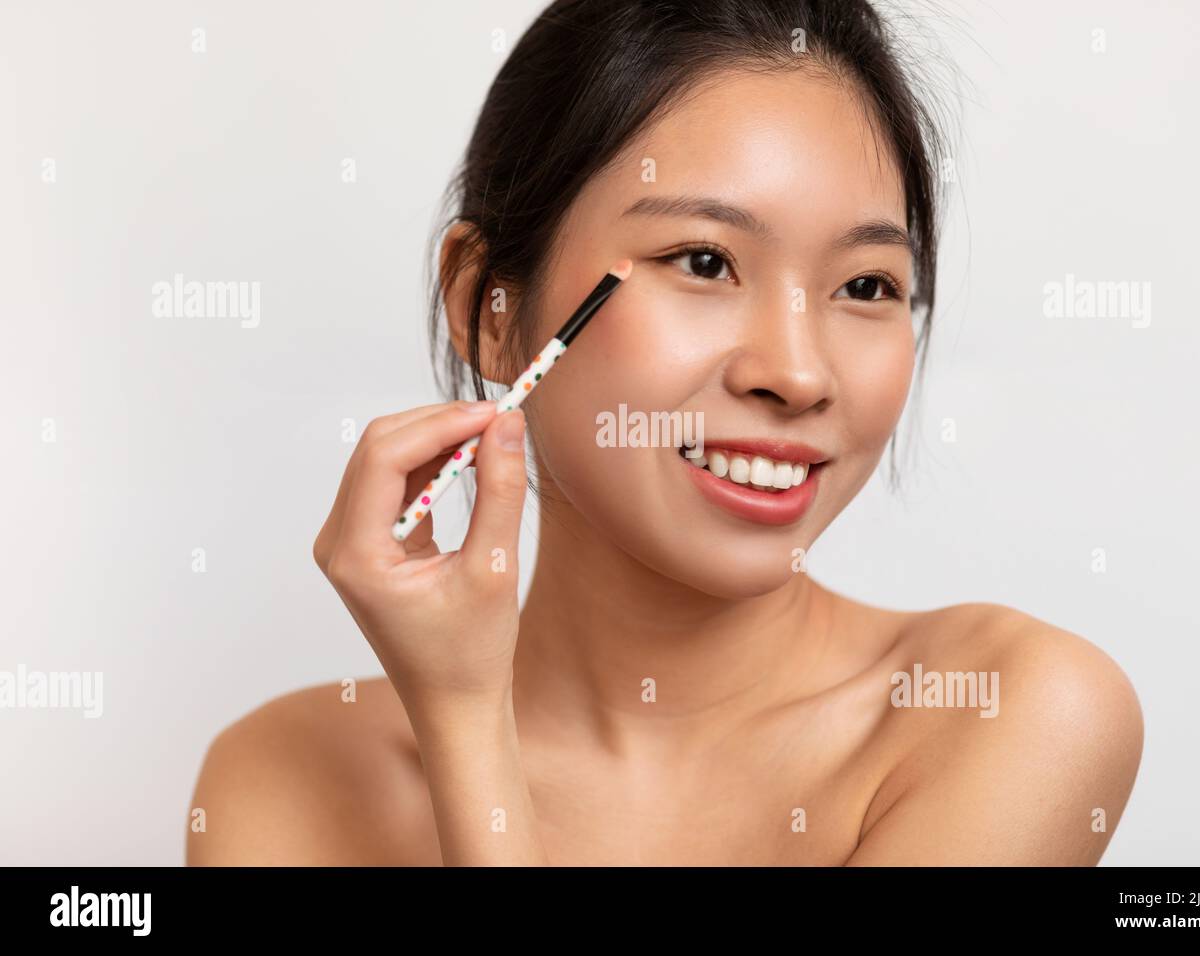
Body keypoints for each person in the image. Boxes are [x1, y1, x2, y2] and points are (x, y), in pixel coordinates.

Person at [188, 0, 1142, 866]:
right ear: (489, 306)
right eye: (704, 260)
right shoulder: (287, 784)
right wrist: (465, 720)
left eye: (866, 286)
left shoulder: (1010, 711)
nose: (798, 373)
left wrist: (471, 735)